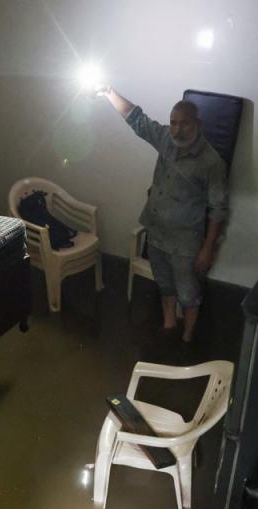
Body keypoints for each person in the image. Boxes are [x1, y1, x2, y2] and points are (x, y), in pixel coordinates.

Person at [99, 86, 229, 343]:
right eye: (173, 123)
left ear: (197, 125)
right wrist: (109, 91)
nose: (178, 130)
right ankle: (169, 322)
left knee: (188, 291)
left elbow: (219, 209)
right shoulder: (165, 140)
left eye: (185, 124)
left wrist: (207, 248)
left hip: (185, 242)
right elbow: (137, 119)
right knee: (164, 282)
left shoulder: (211, 162)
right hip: (157, 231)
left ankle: (188, 335)